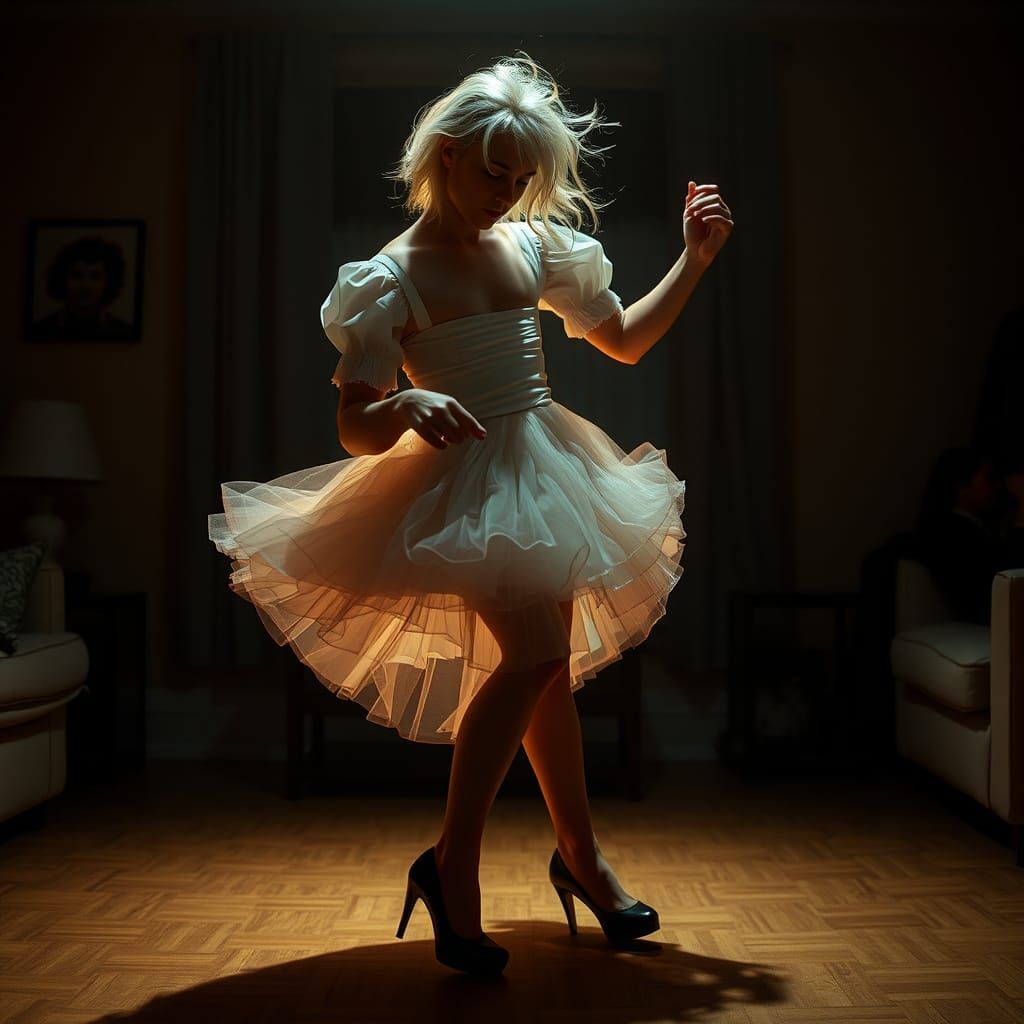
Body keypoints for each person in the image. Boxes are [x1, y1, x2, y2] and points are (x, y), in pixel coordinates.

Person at [208, 52, 733, 975]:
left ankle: (576, 859)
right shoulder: (386, 276)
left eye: (522, 178)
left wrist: (692, 261)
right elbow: (354, 424)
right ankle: (461, 863)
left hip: (546, 465)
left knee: (545, 665)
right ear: (447, 155)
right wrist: (403, 404)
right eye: (496, 172)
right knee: (534, 659)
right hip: (459, 482)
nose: (508, 192)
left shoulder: (532, 247)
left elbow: (624, 342)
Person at [915, 447, 1024, 625]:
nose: (997, 486)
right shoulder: (955, 535)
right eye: (989, 478)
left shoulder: (973, 531)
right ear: (961, 485)